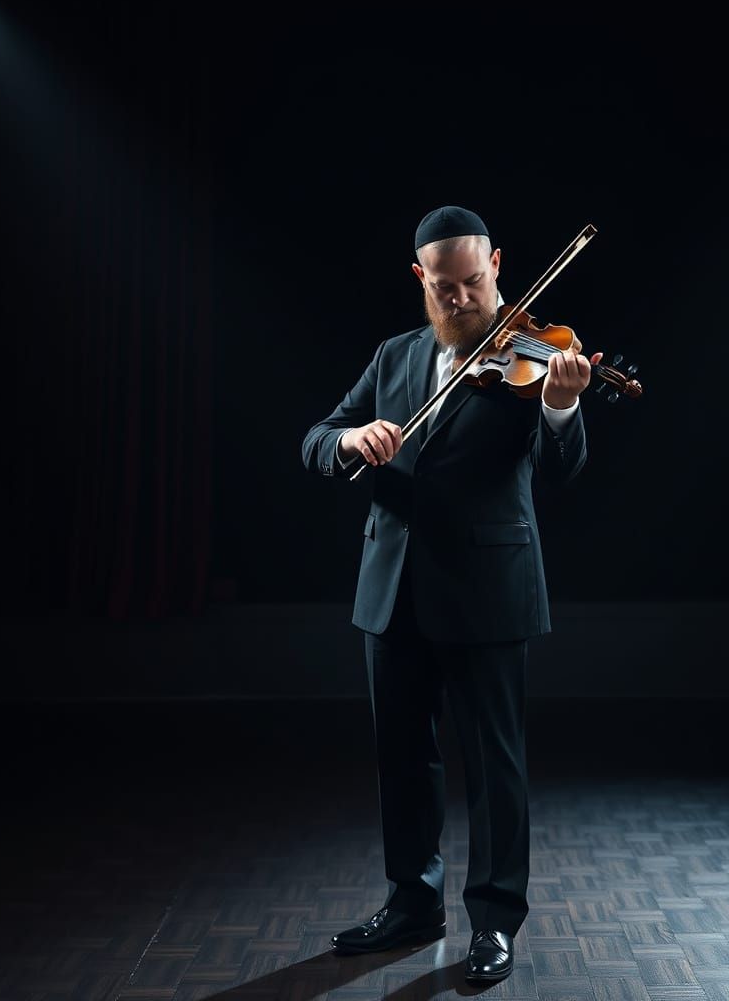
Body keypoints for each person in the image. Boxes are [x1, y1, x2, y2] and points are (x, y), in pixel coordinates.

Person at [301, 205, 602, 983]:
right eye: (446, 287)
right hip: (393, 589)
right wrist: (350, 439)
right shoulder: (394, 355)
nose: (463, 298)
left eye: (474, 280)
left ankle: (495, 921)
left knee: (495, 767)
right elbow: (317, 437)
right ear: (420, 279)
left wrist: (562, 403)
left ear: (496, 265)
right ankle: (413, 903)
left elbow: (560, 470)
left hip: (487, 591)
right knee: (403, 759)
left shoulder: (534, 356)